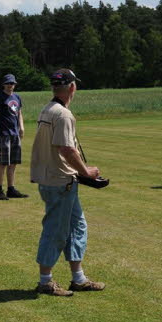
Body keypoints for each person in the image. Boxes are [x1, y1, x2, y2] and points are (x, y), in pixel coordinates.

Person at [30, 69, 106, 296]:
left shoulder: (48, 109)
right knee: (56, 230)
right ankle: (45, 282)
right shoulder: (62, 115)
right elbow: (66, 148)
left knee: (77, 226)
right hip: (60, 181)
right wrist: (86, 171)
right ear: (72, 87)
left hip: (55, 179)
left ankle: (78, 278)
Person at [0, 73, 28, 200]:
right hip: (3, 135)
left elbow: (19, 114)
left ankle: (11, 189)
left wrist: (21, 127)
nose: (11, 85)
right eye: (8, 83)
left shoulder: (17, 97)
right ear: (3, 85)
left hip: (15, 134)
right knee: (2, 163)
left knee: (13, 163)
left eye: (12, 83)